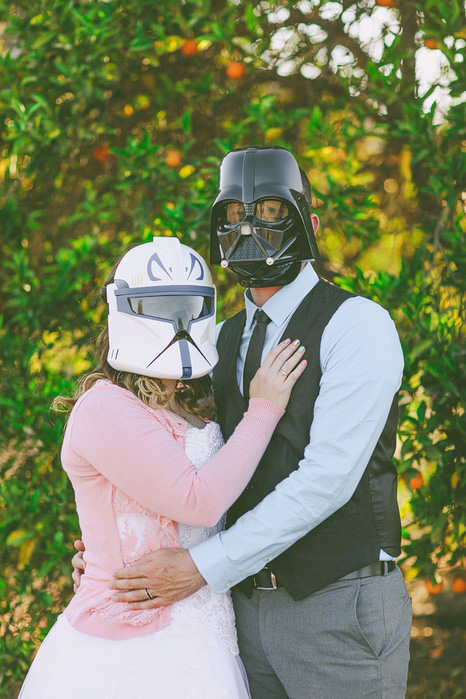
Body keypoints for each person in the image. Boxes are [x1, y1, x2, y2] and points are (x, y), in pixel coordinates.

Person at [73, 147, 412, 698]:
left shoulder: (357, 324)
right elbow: (190, 468)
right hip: (238, 617)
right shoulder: (215, 341)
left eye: (274, 212)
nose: (250, 230)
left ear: (311, 223)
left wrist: (200, 567)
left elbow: (327, 478)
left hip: (336, 607)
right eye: (234, 217)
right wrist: (119, 549)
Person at [19, 236, 307, 699]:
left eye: (189, 305)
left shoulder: (188, 397)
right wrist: (264, 410)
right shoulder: (104, 406)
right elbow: (201, 500)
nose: (177, 321)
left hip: (205, 629)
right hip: (130, 644)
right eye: (158, 305)